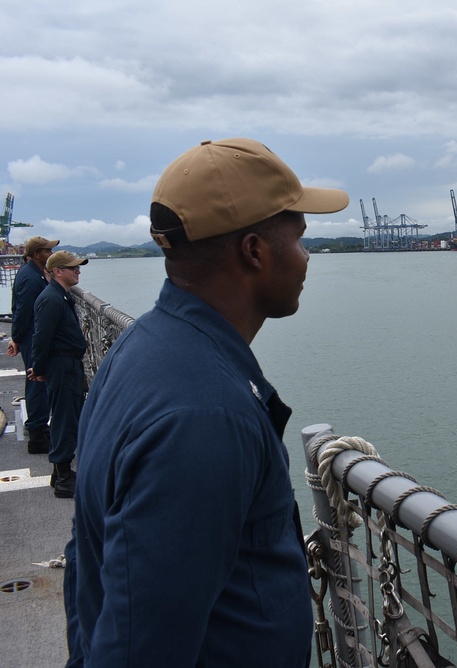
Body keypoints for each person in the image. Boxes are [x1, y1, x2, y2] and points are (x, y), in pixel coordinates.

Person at [69, 138, 349, 667]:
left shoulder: (139, 348)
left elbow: (85, 558)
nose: (308, 257)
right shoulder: (206, 416)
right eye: (301, 239)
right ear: (255, 251)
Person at [29, 249, 89, 499]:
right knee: (65, 421)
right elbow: (41, 337)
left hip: (67, 365)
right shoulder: (52, 299)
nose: (78, 271)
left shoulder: (59, 296)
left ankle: (59, 473)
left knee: (68, 418)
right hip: (61, 366)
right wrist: (39, 368)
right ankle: (64, 479)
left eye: (78, 267)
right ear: (57, 271)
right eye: (73, 267)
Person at [7, 236, 58, 454]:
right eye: (47, 250)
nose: (51, 253)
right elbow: (23, 311)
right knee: (38, 381)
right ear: (37, 254)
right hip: (32, 337)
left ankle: (37, 428)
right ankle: (38, 435)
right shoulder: (32, 279)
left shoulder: (29, 272)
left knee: (36, 381)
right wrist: (17, 338)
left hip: (28, 336)